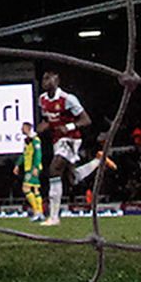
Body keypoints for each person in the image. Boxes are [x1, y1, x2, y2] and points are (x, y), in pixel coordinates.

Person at [36, 72, 113, 225]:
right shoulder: (42, 100)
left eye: (49, 78)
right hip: (57, 140)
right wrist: (40, 128)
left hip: (71, 138)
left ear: (57, 81)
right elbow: (47, 120)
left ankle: (54, 217)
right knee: (74, 178)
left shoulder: (68, 99)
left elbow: (86, 120)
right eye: (44, 78)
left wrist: (69, 126)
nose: (46, 81)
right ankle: (99, 161)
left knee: (54, 170)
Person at [14, 122, 44, 222]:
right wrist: (18, 165)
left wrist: (35, 167)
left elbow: (38, 154)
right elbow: (24, 154)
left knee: (25, 188)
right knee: (35, 190)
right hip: (29, 168)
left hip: (32, 168)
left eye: (22, 128)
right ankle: (40, 213)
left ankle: (36, 212)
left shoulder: (35, 140)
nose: (21, 129)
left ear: (27, 128)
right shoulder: (27, 141)